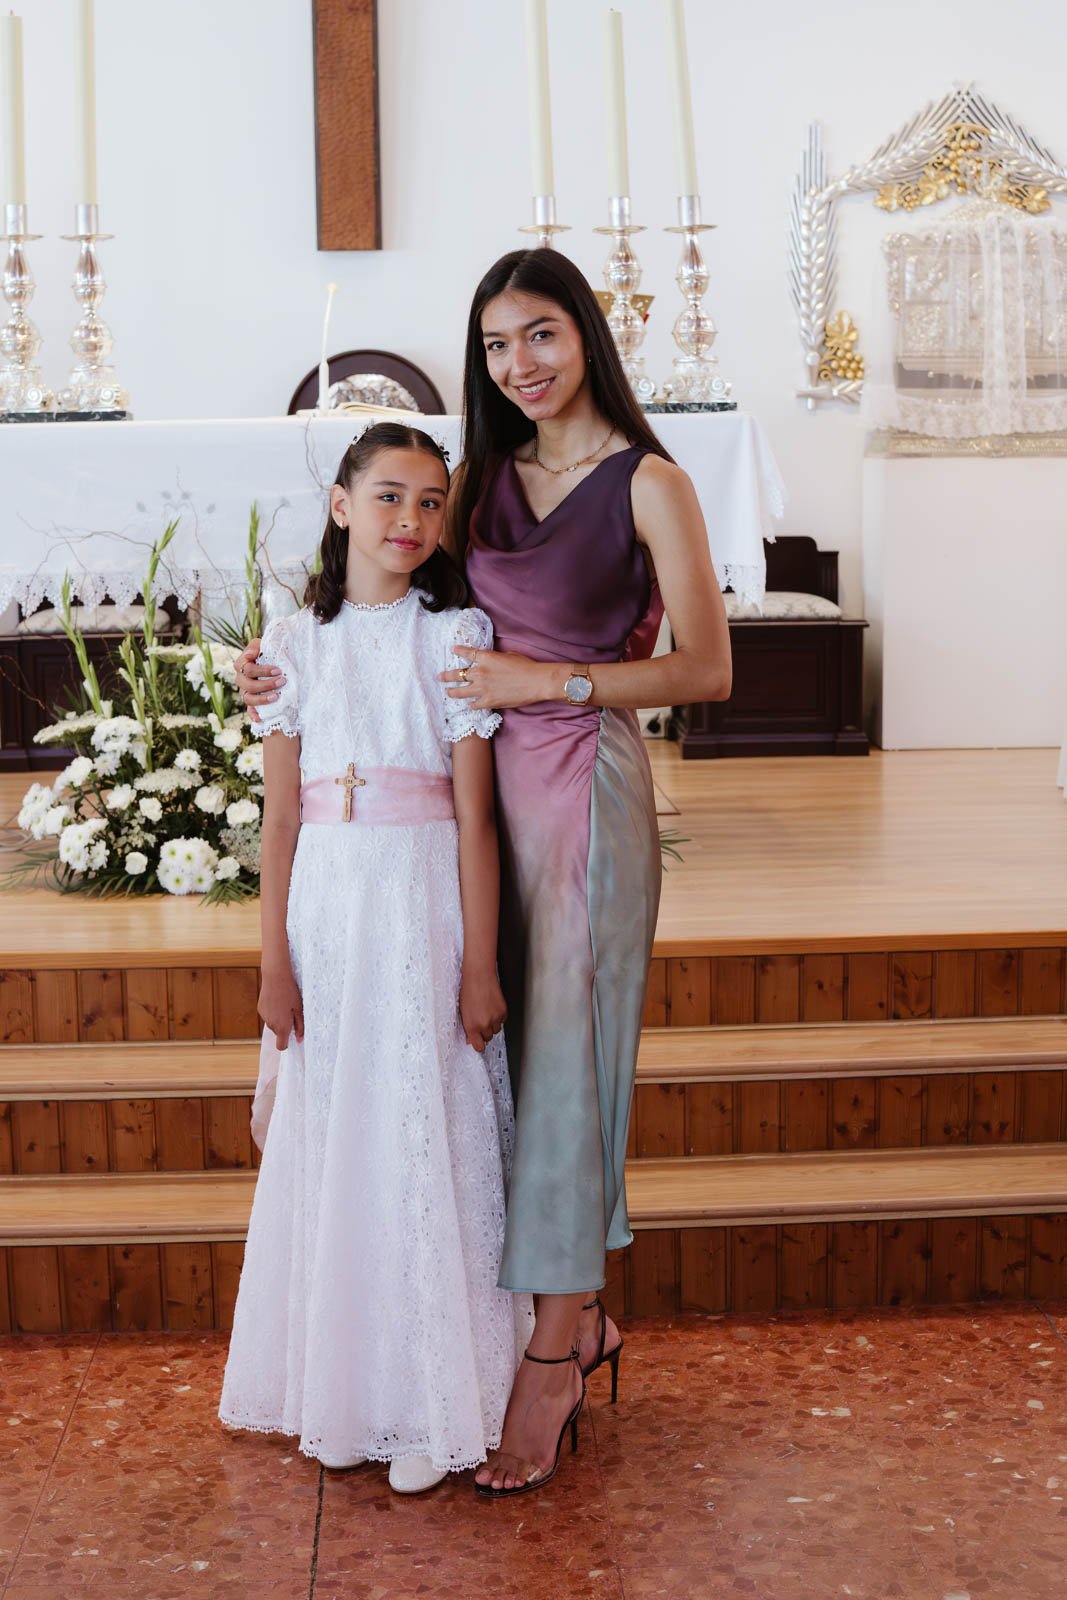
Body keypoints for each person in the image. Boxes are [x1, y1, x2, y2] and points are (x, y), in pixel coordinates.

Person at [236, 250, 731, 1498]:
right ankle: (539, 1320)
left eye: (541, 334)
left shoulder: (651, 481)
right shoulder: (483, 479)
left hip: (573, 793)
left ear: (585, 334)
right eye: (498, 344)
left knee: (565, 1076)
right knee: (486, 1072)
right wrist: (276, 670)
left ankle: (553, 1360)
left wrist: (548, 681)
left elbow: (707, 670)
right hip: (457, 825)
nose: (520, 364)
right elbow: (388, 597)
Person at [219, 421, 533, 1496]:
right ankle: (347, 1391)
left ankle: (432, 1398)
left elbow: (476, 819)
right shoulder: (291, 647)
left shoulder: (453, 637)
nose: (410, 518)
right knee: (340, 1137)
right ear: (342, 504)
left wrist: (479, 966)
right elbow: (278, 822)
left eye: (431, 501)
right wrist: (272, 960)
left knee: (417, 1128)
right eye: (390, 495)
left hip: (421, 904)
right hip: (327, 908)